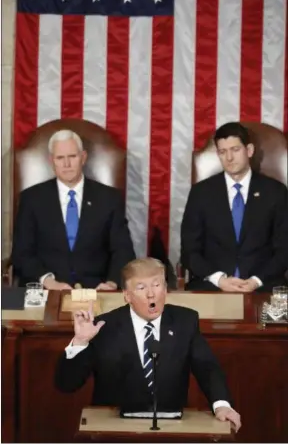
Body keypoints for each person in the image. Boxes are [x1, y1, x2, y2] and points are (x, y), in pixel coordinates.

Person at [55, 257, 241, 432]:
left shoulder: (185, 321)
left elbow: (207, 367)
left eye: (157, 285)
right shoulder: (103, 326)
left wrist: (222, 405)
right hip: (114, 430)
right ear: (127, 295)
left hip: (171, 429)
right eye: (141, 287)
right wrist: (80, 341)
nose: (151, 294)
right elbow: (67, 384)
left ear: (165, 289)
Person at [12, 129, 135, 290]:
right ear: (51, 161)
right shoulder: (31, 199)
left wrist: (111, 283)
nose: (66, 164)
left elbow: (123, 250)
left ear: (83, 157)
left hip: (97, 289)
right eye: (60, 158)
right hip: (47, 289)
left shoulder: (109, 198)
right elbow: (22, 253)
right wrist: (48, 281)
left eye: (72, 156)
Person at [181, 122, 288, 292]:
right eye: (223, 152)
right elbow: (189, 251)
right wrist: (219, 279)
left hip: (263, 285)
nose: (229, 158)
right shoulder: (201, 193)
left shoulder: (275, 192)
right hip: (213, 286)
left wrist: (255, 280)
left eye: (235, 150)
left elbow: (284, 250)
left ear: (250, 150)